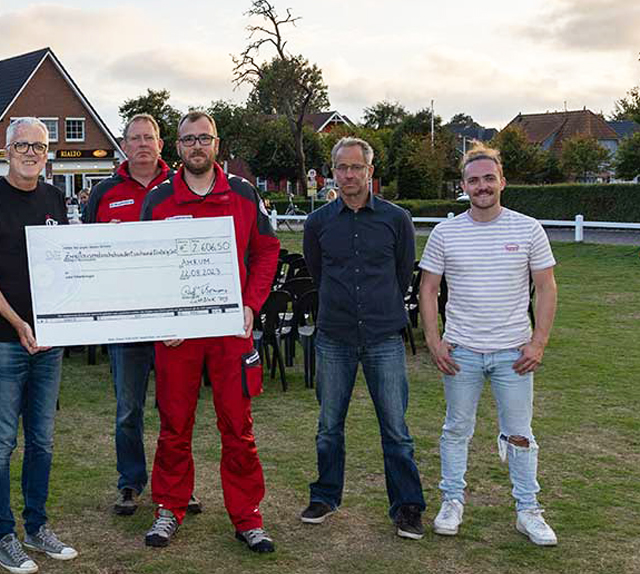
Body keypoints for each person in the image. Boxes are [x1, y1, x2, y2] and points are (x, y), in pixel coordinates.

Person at [138, 110, 280, 551]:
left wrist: (252, 306)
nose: (196, 146)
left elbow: (266, 252)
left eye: (204, 138)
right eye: (187, 140)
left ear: (217, 144)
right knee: (174, 424)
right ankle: (169, 507)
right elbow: (142, 265)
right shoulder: (158, 200)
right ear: (176, 148)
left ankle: (247, 516)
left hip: (228, 332)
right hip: (177, 335)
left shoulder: (242, 193)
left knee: (238, 426)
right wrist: (162, 318)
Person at [419, 143, 559, 546]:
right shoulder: (446, 233)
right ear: (463, 185)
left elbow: (546, 287)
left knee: (519, 433)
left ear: (502, 181)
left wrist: (538, 342)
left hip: (513, 354)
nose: (482, 186)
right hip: (460, 351)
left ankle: (528, 510)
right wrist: (434, 340)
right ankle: (452, 501)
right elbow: (428, 289)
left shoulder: (528, 228)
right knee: (456, 429)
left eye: (488, 178)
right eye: (473, 180)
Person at [0, 116, 76, 574]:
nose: (31, 153)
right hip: (6, 340)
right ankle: (1, 536)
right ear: (5, 151)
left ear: (47, 155)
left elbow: (63, 266)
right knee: (1, 442)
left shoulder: (53, 198)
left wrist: (63, 320)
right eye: (23, 145)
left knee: (42, 441)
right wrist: (18, 322)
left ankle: (36, 527)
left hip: (50, 341)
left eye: (39, 147)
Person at [300, 136, 425, 539]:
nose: (349, 174)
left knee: (395, 429)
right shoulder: (318, 223)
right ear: (332, 171)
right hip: (334, 337)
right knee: (328, 426)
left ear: (370, 172)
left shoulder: (396, 219)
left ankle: (406, 506)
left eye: (356, 167)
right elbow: (318, 274)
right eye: (342, 167)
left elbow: (403, 273)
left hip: (383, 337)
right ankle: (326, 496)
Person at [82, 113, 181, 516]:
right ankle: (131, 481)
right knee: (128, 409)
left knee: (176, 408)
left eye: (149, 137)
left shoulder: (180, 187)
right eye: (134, 138)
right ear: (123, 144)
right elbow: (86, 251)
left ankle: (178, 484)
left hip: (175, 319)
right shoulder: (103, 193)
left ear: (161, 144)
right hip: (124, 320)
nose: (142, 144)